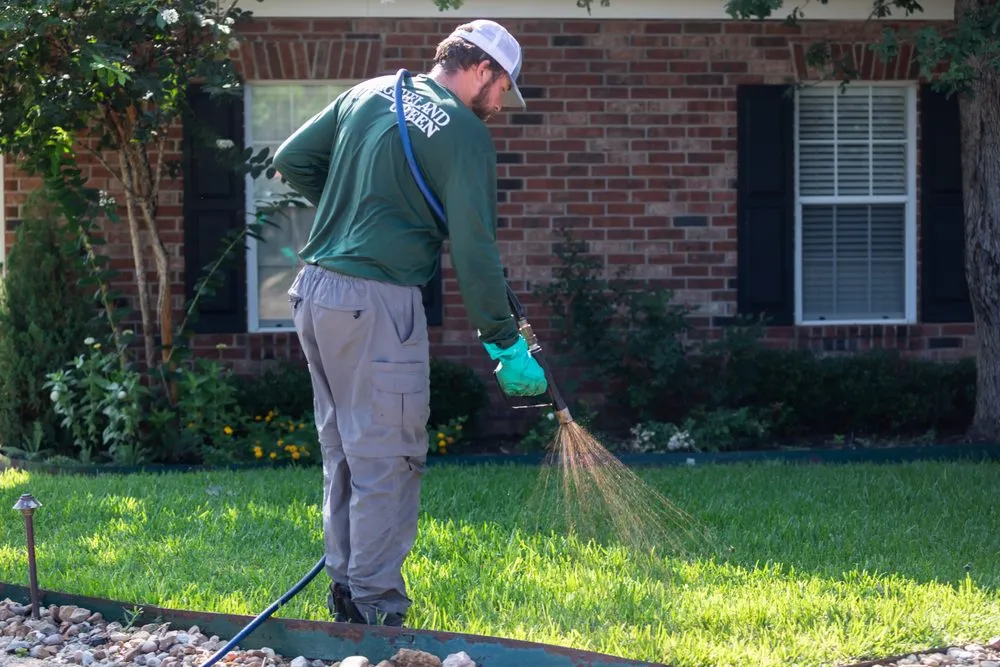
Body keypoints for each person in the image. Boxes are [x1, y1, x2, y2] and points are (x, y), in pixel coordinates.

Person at [271, 19, 548, 627]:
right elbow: (476, 252)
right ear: (481, 70)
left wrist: (363, 205)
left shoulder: (370, 92)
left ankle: (347, 592)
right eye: (503, 88)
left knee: (344, 450)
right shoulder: (466, 135)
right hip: (375, 299)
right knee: (389, 456)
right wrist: (505, 342)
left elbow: (291, 160)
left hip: (315, 292)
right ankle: (377, 614)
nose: (501, 105)